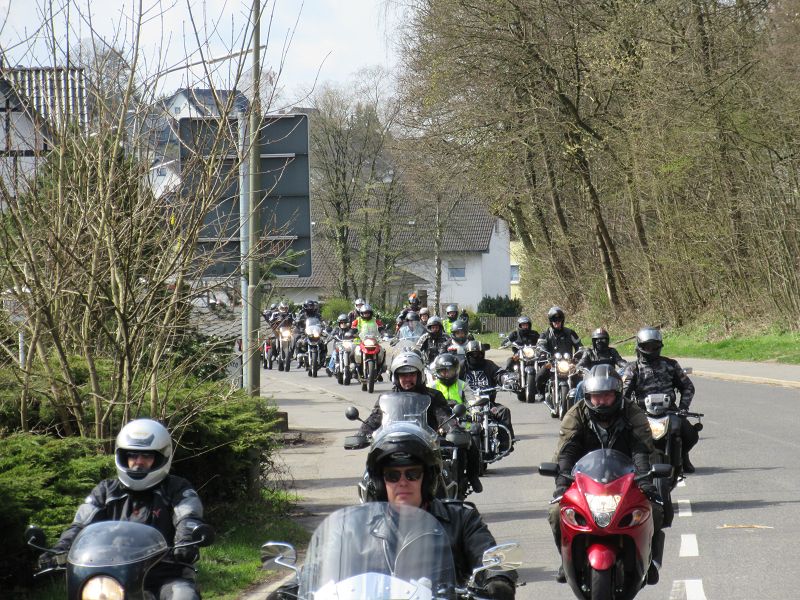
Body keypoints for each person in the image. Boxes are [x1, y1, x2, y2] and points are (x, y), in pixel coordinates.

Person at [37, 419, 208, 599]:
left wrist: (186, 540)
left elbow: (189, 516)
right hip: (112, 576)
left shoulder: (177, 489)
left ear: (161, 458)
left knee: (184, 597)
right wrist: (59, 550)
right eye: (133, 456)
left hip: (167, 575)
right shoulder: (105, 491)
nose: (138, 462)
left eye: (146, 457)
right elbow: (80, 525)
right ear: (123, 457)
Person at [365, 427, 516, 598]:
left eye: (412, 474)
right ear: (379, 483)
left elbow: (489, 555)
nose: (402, 482)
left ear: (427, 479)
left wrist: (497, 579)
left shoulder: (461, 519)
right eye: (392, 476)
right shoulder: (362, 530)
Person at [548, 365, 664, 585]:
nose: (600, 402)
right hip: (584, 481)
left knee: (656, 510)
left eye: (607, 396)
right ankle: (566, 559)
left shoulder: (633, 414)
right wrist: (562, 484)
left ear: (617, 395)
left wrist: (646, 484)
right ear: (588, 396)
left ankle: (651, 561)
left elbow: (641, 450)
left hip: (627, 479)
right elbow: (566, 453)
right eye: (595, 397)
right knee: (556, 512)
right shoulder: (575, 415)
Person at [361, 352, 483, 494]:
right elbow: (374, 418)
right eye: (403, 375)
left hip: (426, 443)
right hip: (394, 443)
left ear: (419, 375)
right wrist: (362, 433)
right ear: (396, 377)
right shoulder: (386, 398)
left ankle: (472, 477)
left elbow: (443, 415)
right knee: (372, 472)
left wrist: (452, 428)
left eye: (411, 375)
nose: (407, 379)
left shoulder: (432, 396)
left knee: (466, 441)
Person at [622, 327, 699, 473]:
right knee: (624, 434)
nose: (651, 349)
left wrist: (683, 408)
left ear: (660, 346)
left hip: (670, 411)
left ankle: (683, 455)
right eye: (647, 346)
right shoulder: (632, 368)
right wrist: (627, 411)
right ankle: (632, 463)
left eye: (654, 346)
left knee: (690, 434)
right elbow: (624, 393)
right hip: (642, 413)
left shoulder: (671, 364)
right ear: (639, 346)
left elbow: (688, 387)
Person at [463, 340, 515, 442]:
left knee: (504, 411)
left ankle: (507, 442)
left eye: (479, 354)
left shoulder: (489, 365)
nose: (476, 356)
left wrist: (505, 379)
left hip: (488, 404)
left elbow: (499, 373)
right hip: (467, 405)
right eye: (473, 354)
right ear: (467, 355)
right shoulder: (462, 366)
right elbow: (453, 377)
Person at [534, 306, 583, 402]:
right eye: (554, 320)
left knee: (580, 376)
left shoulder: (570, 333)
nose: (557, 322)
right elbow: (540, 346)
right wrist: (543, 353)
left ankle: (580, 397)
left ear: (562, 320)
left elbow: (579, 346)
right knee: (540, 375)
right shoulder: (545, 334)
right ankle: (541, 393)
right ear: (550, 321)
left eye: (559, 319)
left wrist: (580, 354)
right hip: (552, 362)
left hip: (568, 363)